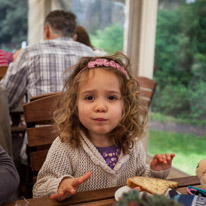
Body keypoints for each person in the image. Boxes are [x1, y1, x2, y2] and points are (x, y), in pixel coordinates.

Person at [33, 52, 175, 201]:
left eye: (112, 97)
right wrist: (59, 185)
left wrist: (155, 172)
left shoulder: (132, 144)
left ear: (125, 105)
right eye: (89, 98)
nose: (100, 107)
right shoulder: (65, 146)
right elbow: (39, 189)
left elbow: (141, 181)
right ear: (74, 104)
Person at [0, 10, 96, 110]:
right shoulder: (90, 54)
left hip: (40, 124)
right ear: (74, 35)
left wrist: (15, 62)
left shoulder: (30, 52)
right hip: (79, 124)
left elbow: (7, 100)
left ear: (47, 30)